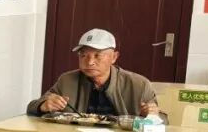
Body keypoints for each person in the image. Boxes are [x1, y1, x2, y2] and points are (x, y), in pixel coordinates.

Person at [28, 28, 160, 117]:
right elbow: (32, 107)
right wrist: (43, 106)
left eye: (98, 55)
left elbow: (163, 120)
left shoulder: (139, 85)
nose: (90, 62)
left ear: (114, 57)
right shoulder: (67, 81)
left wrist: (152, 115)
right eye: (83, 55)